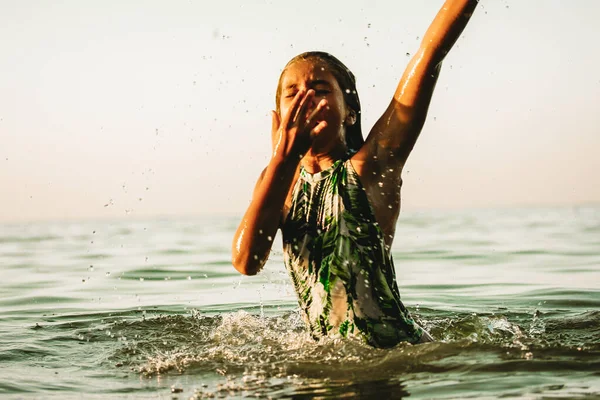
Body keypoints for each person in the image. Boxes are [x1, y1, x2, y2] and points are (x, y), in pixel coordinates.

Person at [232, 0, 479, 347]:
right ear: (280, 114)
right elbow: (247, 262)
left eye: (320, 91)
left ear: (350, 113)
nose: (306, 101)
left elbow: (428, 56)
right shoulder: (277, 182)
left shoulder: (373, 163)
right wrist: (282, 160)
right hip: (329, 363)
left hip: (396, 355)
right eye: (292, 94)